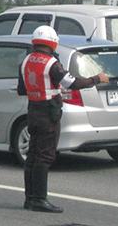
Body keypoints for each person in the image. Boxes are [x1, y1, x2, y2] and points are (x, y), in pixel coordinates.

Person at [17, 25, 108, 213]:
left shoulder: (25, 61)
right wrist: (96, 79)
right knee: (44, 156)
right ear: (52, 42)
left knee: (33, 156)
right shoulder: (51, 63)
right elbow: (72, 83)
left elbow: (22, 89)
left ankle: (30, 198)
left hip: (32, 110)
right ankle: (40, 199)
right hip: (48, 113)